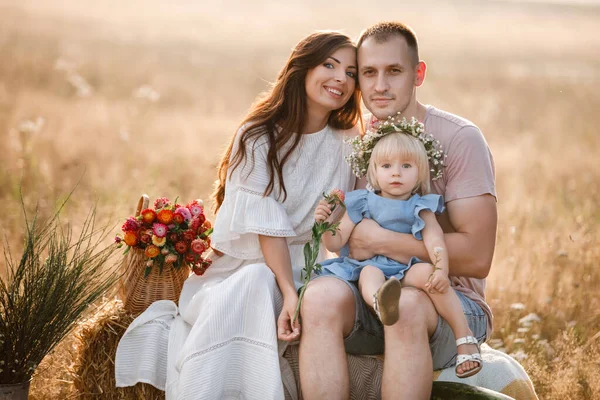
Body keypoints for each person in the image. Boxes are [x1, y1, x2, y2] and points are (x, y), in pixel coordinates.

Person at [115, 30, 362, 399]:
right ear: (302, 68)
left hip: (308, 270)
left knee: (267, 284)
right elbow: (267, 231)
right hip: (244, 267)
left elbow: (340, 226)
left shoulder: (348, 144)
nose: (341, 78)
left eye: (352, 72)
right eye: (330, 64)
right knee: (256, 281)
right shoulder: (259, 135)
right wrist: (288, 294)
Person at [299, 21, 497, 399]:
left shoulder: (459, 138)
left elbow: (476, 257)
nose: (379, 86)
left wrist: (384, 240)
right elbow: (344, 244)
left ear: (417, 73)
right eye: (368, 73)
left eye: (394, 71)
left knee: (404, 304)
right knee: (320, 297)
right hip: (371, 287)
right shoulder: (356, 141)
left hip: (445, 296)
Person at [314, 128, 482, 378]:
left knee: (427, 273)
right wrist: (324, 225)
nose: (396, 172)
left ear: (419, 173)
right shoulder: (361, 201)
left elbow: (435, 240)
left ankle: (464, 336)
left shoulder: (420, 206)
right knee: (369, 273)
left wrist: (440, 269)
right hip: (375, 267)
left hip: (407, 268)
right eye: (386, 166)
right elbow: (335, 244)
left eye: (406, 166)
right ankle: (381, 304)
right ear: (374, 171)